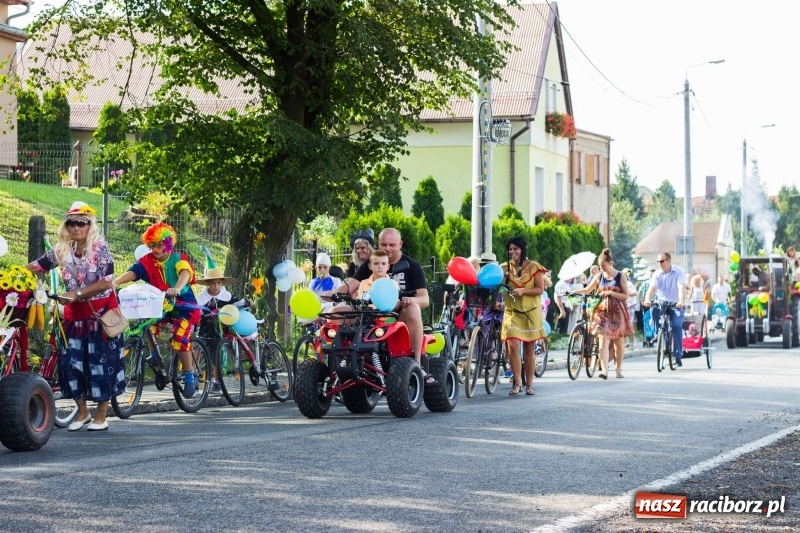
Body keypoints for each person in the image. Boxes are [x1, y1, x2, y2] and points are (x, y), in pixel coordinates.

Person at [25, 201, 125, 431]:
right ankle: (82, 412)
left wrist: (76, 293)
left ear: (89, 225)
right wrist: (13, 273)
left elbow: (106, 282)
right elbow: (38, 265)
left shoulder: (100, 248)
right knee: (69, 364)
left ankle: (101, 415)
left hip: (99, 316)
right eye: (71, 223)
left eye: (81, 223)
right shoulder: (63, 249)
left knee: (101, 365)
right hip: (74, 316)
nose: (76, 227)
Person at [327, 228, 431, 381]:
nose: (387, 248)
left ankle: (417, 364)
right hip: (367, 312)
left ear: (400, 244)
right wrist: (333, 294)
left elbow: (425, 299)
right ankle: (342, 360)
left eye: (392, 245)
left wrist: (410, 300)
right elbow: (350, 287)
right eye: (383, 244)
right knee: (336, 311)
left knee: (413, 309)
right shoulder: (372, 264)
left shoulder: (412, 266)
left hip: (395, 314)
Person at [113, 222, 202, 398]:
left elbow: (185, 273)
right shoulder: (148, 261)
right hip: (160, 304)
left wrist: (176, 288)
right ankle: (154, 354)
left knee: (180, 337)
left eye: (159, 245)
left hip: (183, 305)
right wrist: (115, 283)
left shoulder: (178, 258)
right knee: (146, 322)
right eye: (152, 245)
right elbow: (134, 272)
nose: (156, 249)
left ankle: (190, 375)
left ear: (168, 243)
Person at [572, 249, 633, 379]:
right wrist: (574, 292)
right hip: (602, 311)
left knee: (618, 342)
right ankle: (604, 370)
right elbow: (588, 289)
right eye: (600, 266)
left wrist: (611, 293)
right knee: (602, 341)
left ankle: (618, 369)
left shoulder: (620, 276)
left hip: (617, 312)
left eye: (604, 266)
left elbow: (625, 296)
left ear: (611, 263)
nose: (602, 268)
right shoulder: (599, 276)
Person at [501, 236, 546, 396]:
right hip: (512, 310)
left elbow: (540, 289)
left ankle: (529, 385)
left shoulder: (534, 267)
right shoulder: (504, 269)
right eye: (510, 249)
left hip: (531, 311)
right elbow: (496, 285)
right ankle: (517, 383)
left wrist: (523, 291)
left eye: (516, 249)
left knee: (529, 349)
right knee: (512, 346)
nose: (512, 252)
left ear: (522, 250)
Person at [195, 267, 251, 394]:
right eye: (213, 283)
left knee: (218, 357)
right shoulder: (201, 298)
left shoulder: (226, 296)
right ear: (208, 284)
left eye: (219, 283)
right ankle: (194, 379)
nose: (216, 286)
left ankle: (217, 383)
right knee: (196, 352)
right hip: (203, 330)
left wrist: (247, 302)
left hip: (218, 332)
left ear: (222, 283)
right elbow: (196, 310)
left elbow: (236, 303)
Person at [644, 252, 687, 366]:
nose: (659, 264)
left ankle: (678, 355)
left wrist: (681, 301)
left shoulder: (679, 271)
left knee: (677, 326)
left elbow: (681, 287)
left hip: (676, 303)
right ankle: (662, 338)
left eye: (662, 261)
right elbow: (652, 288)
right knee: (655, 313)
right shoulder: (657, 274)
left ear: (669, 261)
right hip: (661, 302)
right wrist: (648, 299)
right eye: (658, 261)